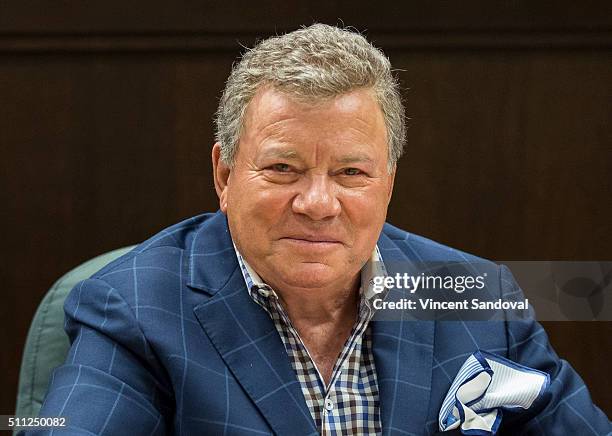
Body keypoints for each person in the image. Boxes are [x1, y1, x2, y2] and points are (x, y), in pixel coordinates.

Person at [30, 24, 609, 435]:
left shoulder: (475, 295)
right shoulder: (133, 307)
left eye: (351, 172)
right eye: (283, 169)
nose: (317, 202)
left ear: (388, 183)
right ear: (225, 175)